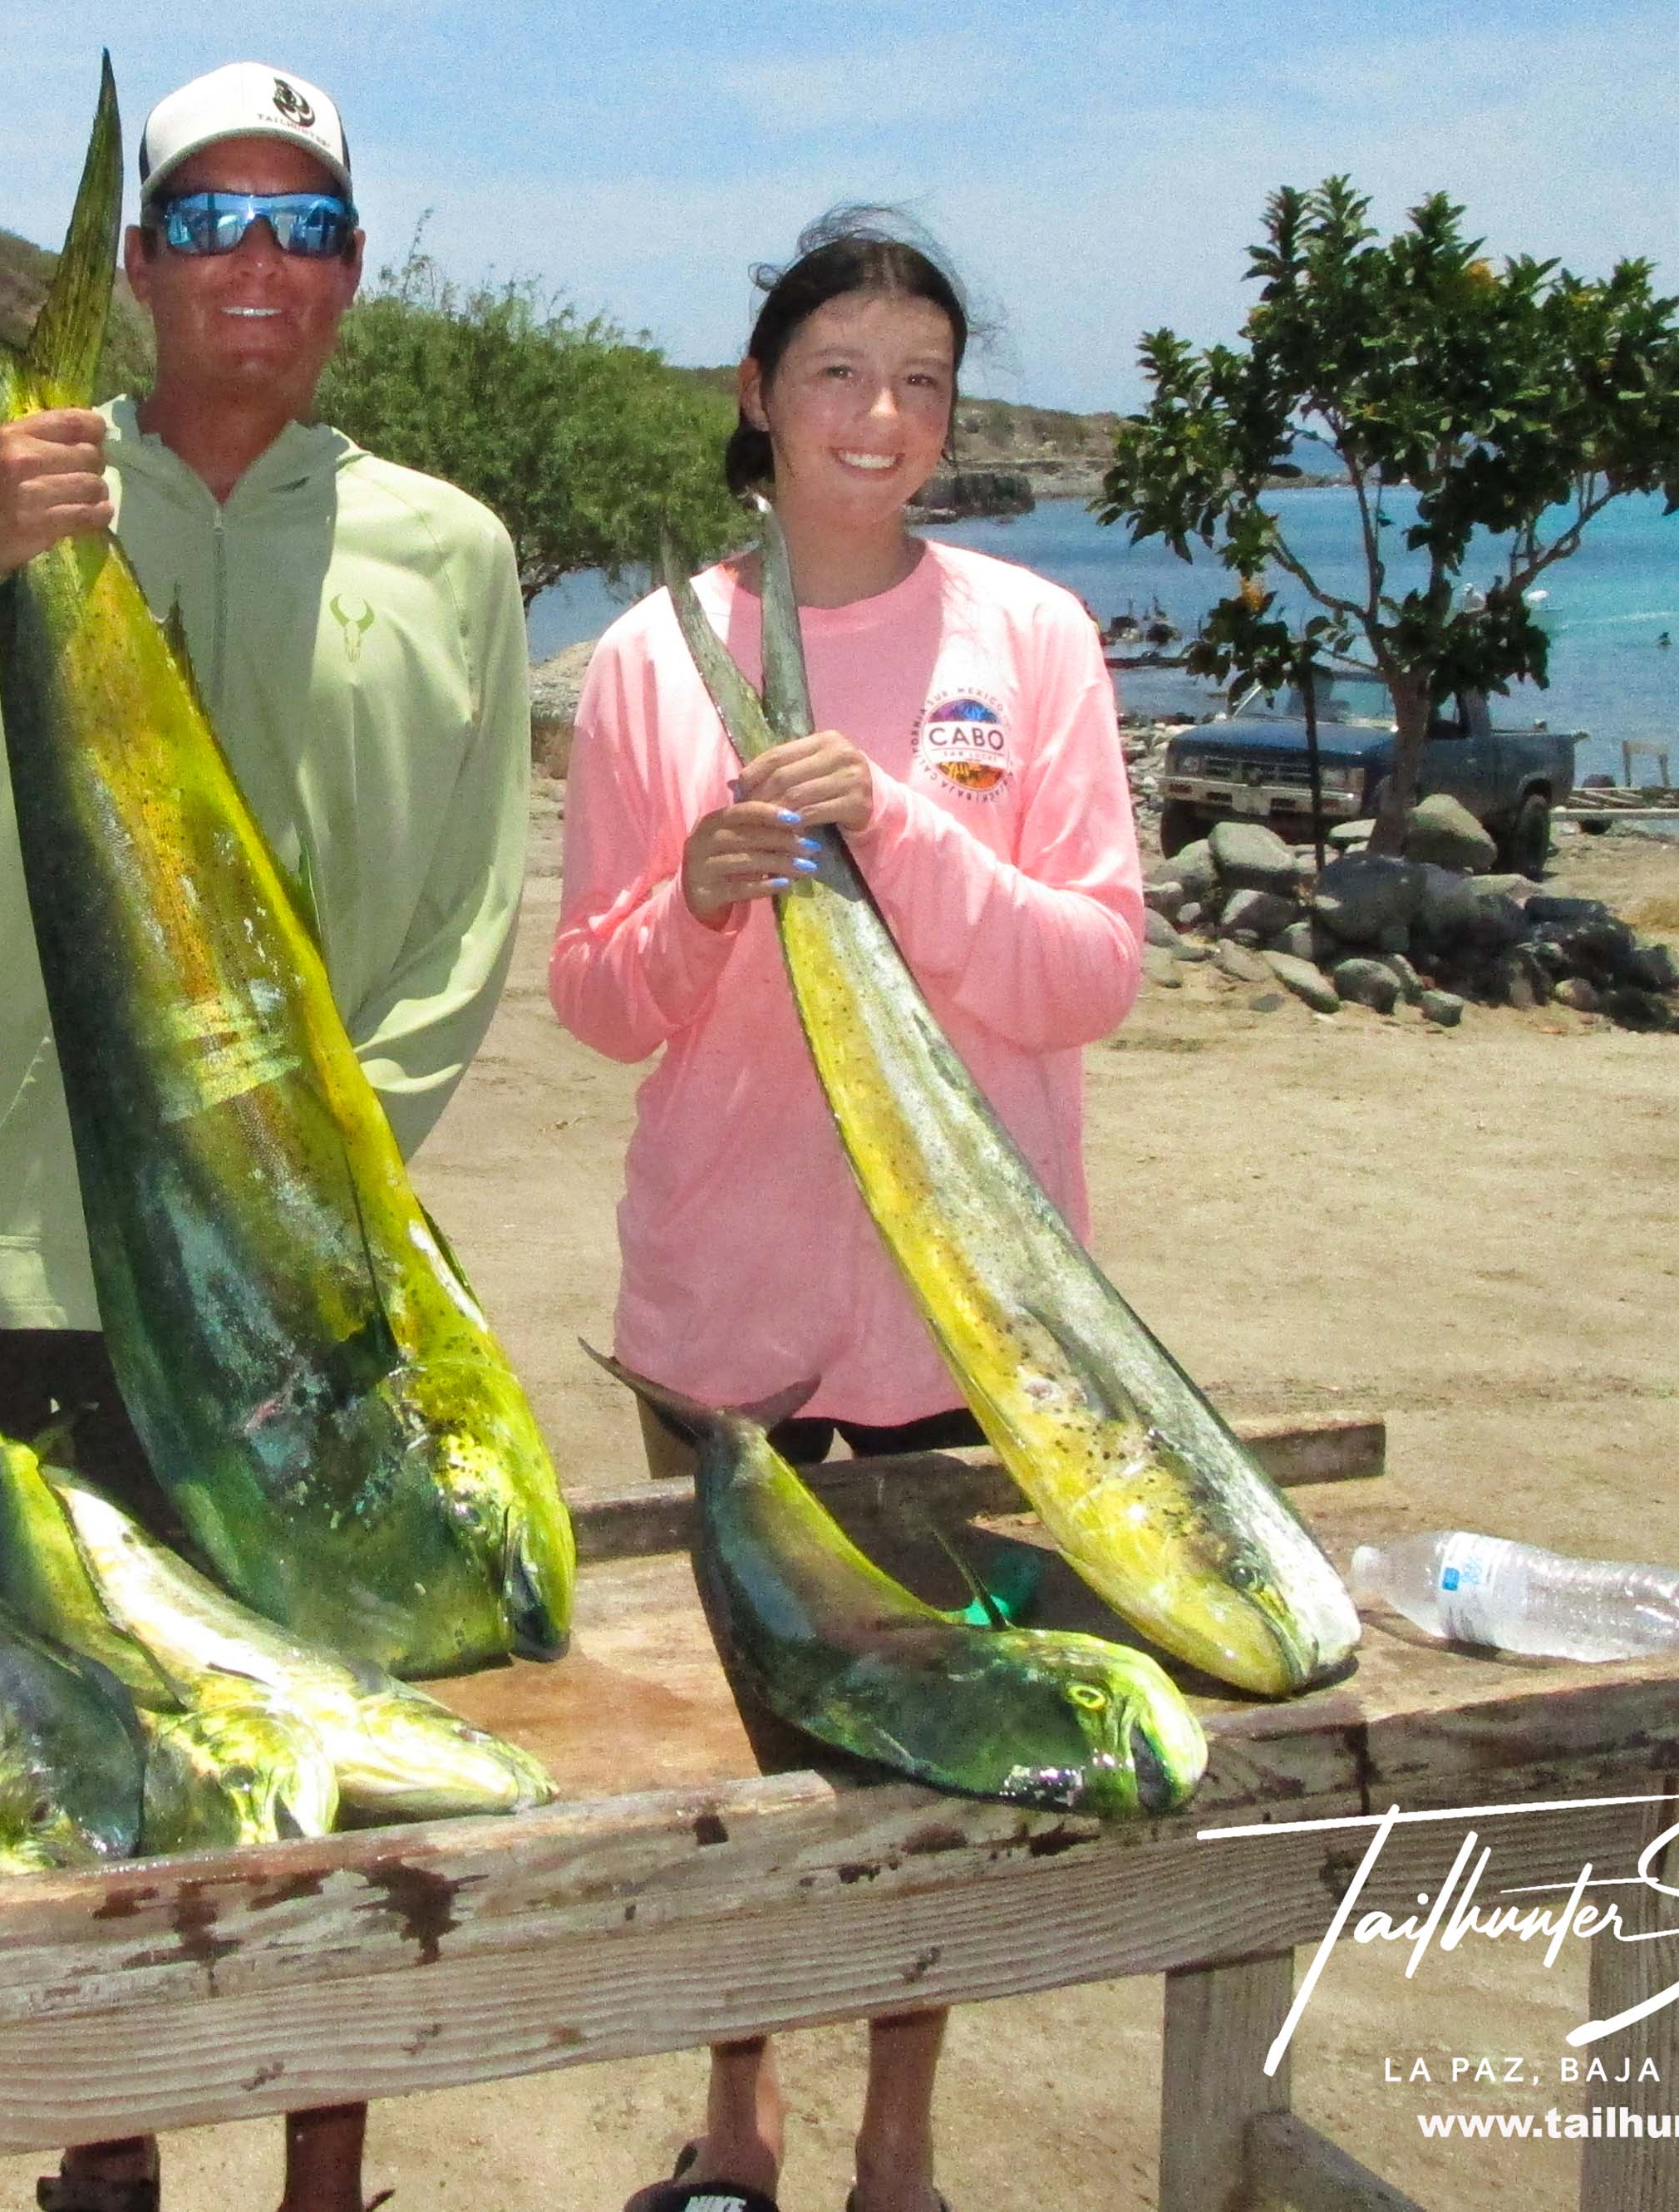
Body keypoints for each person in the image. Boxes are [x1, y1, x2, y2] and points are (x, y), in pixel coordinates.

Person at [0, 62, 529, 2212]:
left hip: (315, 1312)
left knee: (333, 1790)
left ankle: (322, 2184)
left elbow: (463, 931)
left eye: (302, 222)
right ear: (141, 263)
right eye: (209, 219)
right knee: (68, 1795)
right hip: (34, 1285)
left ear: (350, 269)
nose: (256, 260)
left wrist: (291, 1207)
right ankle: (103, 2167)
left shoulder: (454, 552)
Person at [547, 213, 1145, 2212]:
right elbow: (596, 997)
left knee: (936, 1740)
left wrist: (894, 832)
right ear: (757, 394)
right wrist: (700, 899)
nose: (878, 417)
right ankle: (740, 2124)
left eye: (920, 383)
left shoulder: (1027, 643)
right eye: (835, 372)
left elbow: (1088, 970)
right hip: (719, 1316)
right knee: (746, 1737)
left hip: (969, 1319)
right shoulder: (650, 659)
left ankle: (899, 2141)